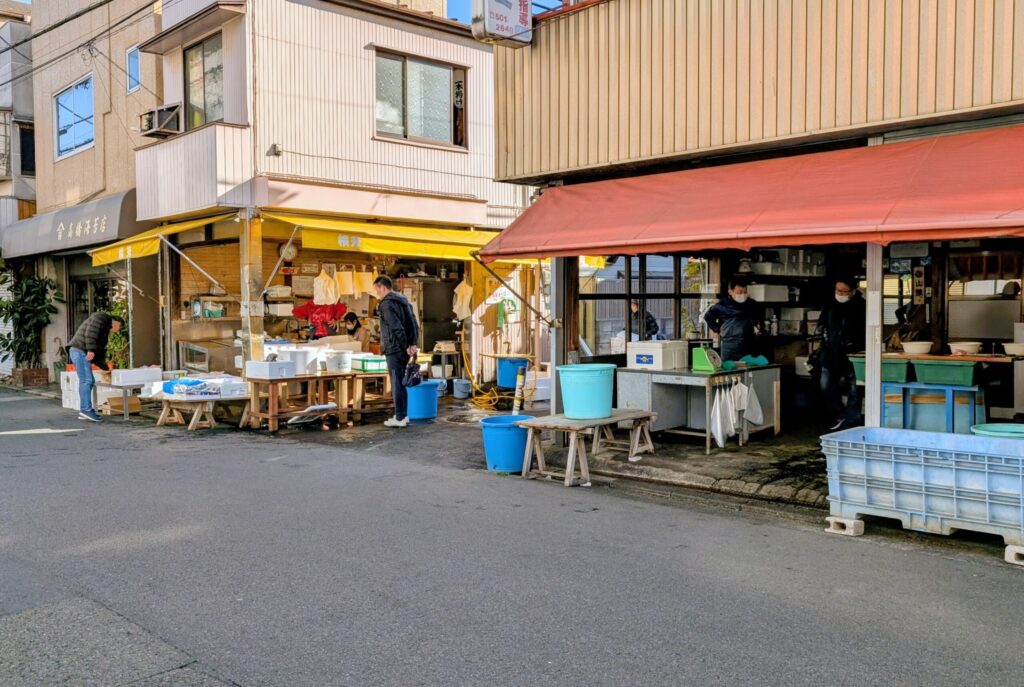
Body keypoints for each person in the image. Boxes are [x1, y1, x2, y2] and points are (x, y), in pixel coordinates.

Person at [814, 277, 866, 431]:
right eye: (838, 290)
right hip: (830, 352)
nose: (841, 294)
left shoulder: (861, 306)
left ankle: (852, 421)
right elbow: (822, 324)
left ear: (853, 291)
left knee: (855, 389)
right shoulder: (830, 304)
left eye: (844, 291)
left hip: (854, 353)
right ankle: (839, 415)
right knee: (825, 386)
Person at [373, 275, 419, 428]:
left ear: (383, 288)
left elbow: (395, 326)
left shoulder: (386, 304)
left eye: (377, 290)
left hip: (394, 348)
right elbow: (413, 323)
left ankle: (400, 417)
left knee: (396, 383)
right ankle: (403, 415)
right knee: (400, 382)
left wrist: (406, 344)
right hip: (404, 348)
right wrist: (413, 343)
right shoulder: (403, 300)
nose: (376, 293)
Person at [67, 313, 124, 423]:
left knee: (90, 381)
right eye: (120, 327)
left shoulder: (104, 329)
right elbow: (90, 333)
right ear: (117, 322)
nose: (118, 330)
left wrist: (105, 367)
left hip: (81, 351)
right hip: (79, 350)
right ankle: (86, 409)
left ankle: (84, 410)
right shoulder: (101, 318)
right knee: (87, 380)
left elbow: (100, 353)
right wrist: (91, 350)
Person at [703, 278, 763, 361]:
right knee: (728, 369)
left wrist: (757, 327)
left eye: (745, 292)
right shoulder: (722, 305)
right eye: (739, 292)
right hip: (729, 345)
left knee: (748, 369)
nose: (743, 295)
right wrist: (718, 329)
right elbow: (708, 317)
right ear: (730, 292)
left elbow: (757, 320)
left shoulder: (751, 304)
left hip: (748, 343)